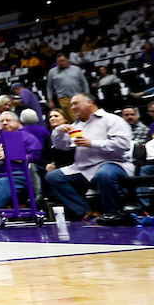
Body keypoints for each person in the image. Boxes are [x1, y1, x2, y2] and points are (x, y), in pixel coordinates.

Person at [45, 93, 133, 225]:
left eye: (76, 103)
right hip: (83, 166)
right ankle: (86, 212)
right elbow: (63, 147)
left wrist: (92, 143)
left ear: (89, 103)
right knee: (53, 177)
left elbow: (124, 145)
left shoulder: (112, 120)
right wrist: (58, 132)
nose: (73, 107)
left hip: (113, 163)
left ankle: (112, 213)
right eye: (71, 105)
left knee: (105, 174)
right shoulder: (77, 125)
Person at [46, 54, 89, 120]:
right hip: (64, 98)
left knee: (82, 115)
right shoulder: (52, 72)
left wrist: (87, 96)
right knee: (74, 117)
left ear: (67, 60)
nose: (62, 63)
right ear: (56, 62)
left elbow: (84, 83)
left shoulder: (76, 69)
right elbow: (49, 87)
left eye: (63, 60)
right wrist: (50, 101)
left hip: (78, 96)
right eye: (59, 61)